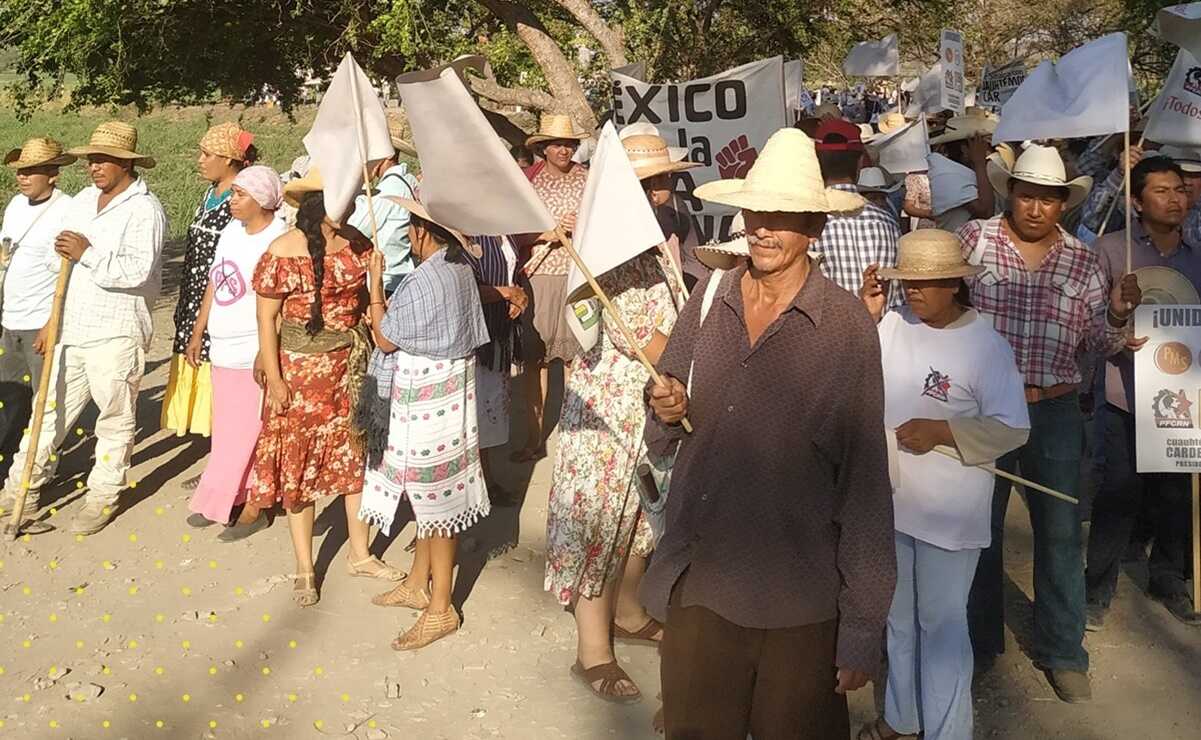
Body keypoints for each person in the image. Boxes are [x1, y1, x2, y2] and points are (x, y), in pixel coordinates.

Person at [644, 128, 895, 739]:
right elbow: (663, 430)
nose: (762, 228)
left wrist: (862, 627)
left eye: (781, 216)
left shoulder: (845, 328)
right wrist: (667, 409)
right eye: (756, 212)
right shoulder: (709, 297)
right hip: (701, 583)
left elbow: (865, 487)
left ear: (814, 228)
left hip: (799, 599)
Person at [961, 144, 1139, 703]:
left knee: (1061, 533)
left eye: (1049, 198)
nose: (1037, 207)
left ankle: (1064, 652)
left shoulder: (1082, 261)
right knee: (977, 533)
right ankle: (979, 644)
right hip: (982, 408)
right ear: (1011, 192)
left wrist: (1116, 312)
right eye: (1028, 194)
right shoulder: (973, 241)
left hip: (1056, 410)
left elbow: (1100, 344)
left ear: (1064, 204)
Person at [857, 230, 1029, 740]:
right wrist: (863, 318)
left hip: (950, 512)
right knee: (899, 621)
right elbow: (853, 371)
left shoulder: (985, 345)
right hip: (892, 498)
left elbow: (1013, 426)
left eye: (927, 282)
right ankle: (902, 718)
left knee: (942, 624)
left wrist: (943, 430)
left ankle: (949, 732)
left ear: (956, 283)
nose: (915, 291)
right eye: (907, 281)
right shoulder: (890, 325)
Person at [544, 133, 692, 703]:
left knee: (637, 522)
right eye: (650, 183)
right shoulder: (611, 257)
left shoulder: (654, 246)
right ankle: (592, 652)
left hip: (646, 415)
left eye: (666, 180)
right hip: (607, 421)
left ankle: (628, 615)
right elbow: (652, 344)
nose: (662, 191)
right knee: (599, 528)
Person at [0, 121, 166, 535]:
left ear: (126, 165)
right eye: (91, 159)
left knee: (113, 417)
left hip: (116, 329)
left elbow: (137, 270)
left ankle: (103, 495)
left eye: (103, 160)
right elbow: (62, 264)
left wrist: (87, 253)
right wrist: (52, 320)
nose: (94, 167)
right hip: (73, 325)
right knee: (49, 411)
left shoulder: (145, 209)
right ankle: (21, 487)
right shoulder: (83, 202)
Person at [250, 169, 403, 607]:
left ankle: (360, 552)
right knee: (300, 467)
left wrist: (375, 276)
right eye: (343, 199)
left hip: (350, 370)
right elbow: (265, 318)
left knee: (355, 458)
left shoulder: (358, 243)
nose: (352, 206)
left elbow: (371, 305)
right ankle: (304, 565)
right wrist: (276, 378)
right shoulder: (282, 251)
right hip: (299, 374)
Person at [358, 198, 491, 650]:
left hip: (430, 397)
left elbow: (384, 338)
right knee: (425, 490)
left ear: (420, 233)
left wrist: (375, 287)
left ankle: (441, 607)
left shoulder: (424, 279)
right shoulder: (458, 271)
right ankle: (419, 581)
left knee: (438, 496)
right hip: (446, 391)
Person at [1086, 156, 1201, 625]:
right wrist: (1118, 325)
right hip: (1123, 393)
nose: (1175, 198)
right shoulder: (1112, 252)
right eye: (1161, 190)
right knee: (1118, 491)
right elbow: (1091, 324)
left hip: (1181, 397)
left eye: (1180, 189)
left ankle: (1169, 577)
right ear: (1136, 201)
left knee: (1176, 492)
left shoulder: (1197, 258)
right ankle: (1096, 588)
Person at [184, 165, 288, 539]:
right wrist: (199, 331)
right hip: (223, 343)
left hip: (252, 346)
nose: (232, 200)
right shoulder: (231, 232)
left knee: (251, 428)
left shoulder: (278, 238)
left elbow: (280, 301)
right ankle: (223, 493)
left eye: (240, 194)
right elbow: (217, 281)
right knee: (227, 428)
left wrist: (267, 348)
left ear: (261, 200)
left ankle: (253, 502)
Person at [162, 122, 256, 446]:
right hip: (192, 299)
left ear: (229, 159)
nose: (200, 160)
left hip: (219, 303)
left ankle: (227, 457)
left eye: (207, 154)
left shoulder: (241, 201)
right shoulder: (209, 195)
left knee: (222, 379)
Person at [511, 113, 589, 462]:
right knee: (536, 362)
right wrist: (549, 232)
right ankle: (534, 437)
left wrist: (581, 227)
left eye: (569, 144)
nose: (564, 150)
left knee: (577, 359)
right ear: (543, 147)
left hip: (578, 276)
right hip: (538, 276)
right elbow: (512, 229)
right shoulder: (529, 182)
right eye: (557, 143)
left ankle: (577, 436)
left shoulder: (588, 180)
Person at [0, 138, 76, 474]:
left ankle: (39, 470)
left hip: (39, 321)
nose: (23, 177)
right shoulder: (15, 205)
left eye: (32, 170)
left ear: (53, 174)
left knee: (43, 401)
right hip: (10, 317)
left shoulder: (67, 210)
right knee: (10, 396)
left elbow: (66, 275)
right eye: (20, 170)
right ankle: (9, 464)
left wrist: (50, 324)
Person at [808, 118, 902, 309]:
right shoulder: (887, 221)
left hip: (832, 335)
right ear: (860, 163)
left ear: (815, 164)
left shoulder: (809, 226)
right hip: (884, 334)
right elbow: (899, 296)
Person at [465, 234, 527, 498]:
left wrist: (518, 297)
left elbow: (514, 273)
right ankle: (479, 484)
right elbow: (465, 286)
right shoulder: (469, 233)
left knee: (488, 411)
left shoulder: (505, 231)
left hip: (499, 331)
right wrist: (507, 293)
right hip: (477, 336)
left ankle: (485, 480)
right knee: (475, 409)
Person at [347, 119, 421, 298]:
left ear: (387, 156)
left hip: (387, 279)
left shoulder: (389, 189)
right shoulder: (407, 180)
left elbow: (355, 229)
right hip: (400, 273)